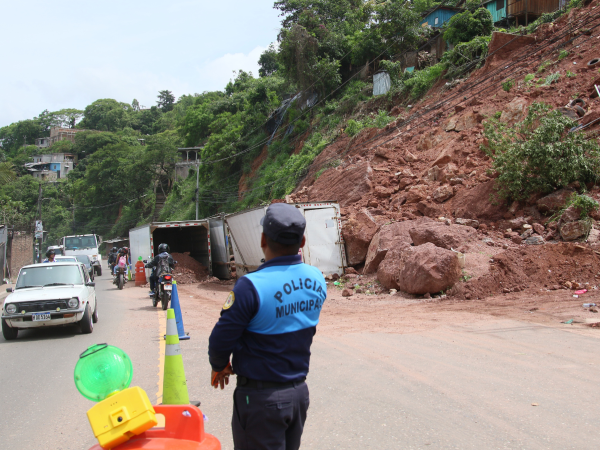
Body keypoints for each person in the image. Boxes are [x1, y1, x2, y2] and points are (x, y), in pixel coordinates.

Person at [208, 203, 327, 450]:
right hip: (298, 396)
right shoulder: (317, 279)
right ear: (302, 242)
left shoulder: (250, 286)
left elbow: (221, 339)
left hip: (261, 401)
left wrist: (219, 365)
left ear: (263, 238)